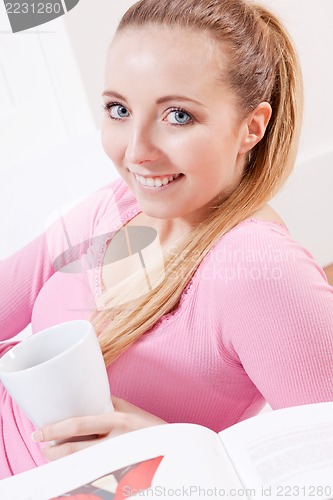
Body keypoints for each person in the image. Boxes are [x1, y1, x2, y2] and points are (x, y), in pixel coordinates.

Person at [1, 0, 333, 479]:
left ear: (251, 128)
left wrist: (174, 454)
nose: (136, 152)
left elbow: (317, 470)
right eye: (119, 110)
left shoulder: (260, 270)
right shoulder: (114, 205)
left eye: (178, 116)